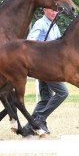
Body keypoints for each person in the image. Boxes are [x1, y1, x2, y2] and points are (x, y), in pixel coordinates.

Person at [22, 8, 69, 137]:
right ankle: (40, 119)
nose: (54, 13)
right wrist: (45, 45)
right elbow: (29, 43)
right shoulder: (40, 24)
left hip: (51, 66)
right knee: (63, 92)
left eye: (56, 11)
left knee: (46, 98)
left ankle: (28, 128)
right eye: (51, 11)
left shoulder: (54, 25)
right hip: (44, 67)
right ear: (44, 10)